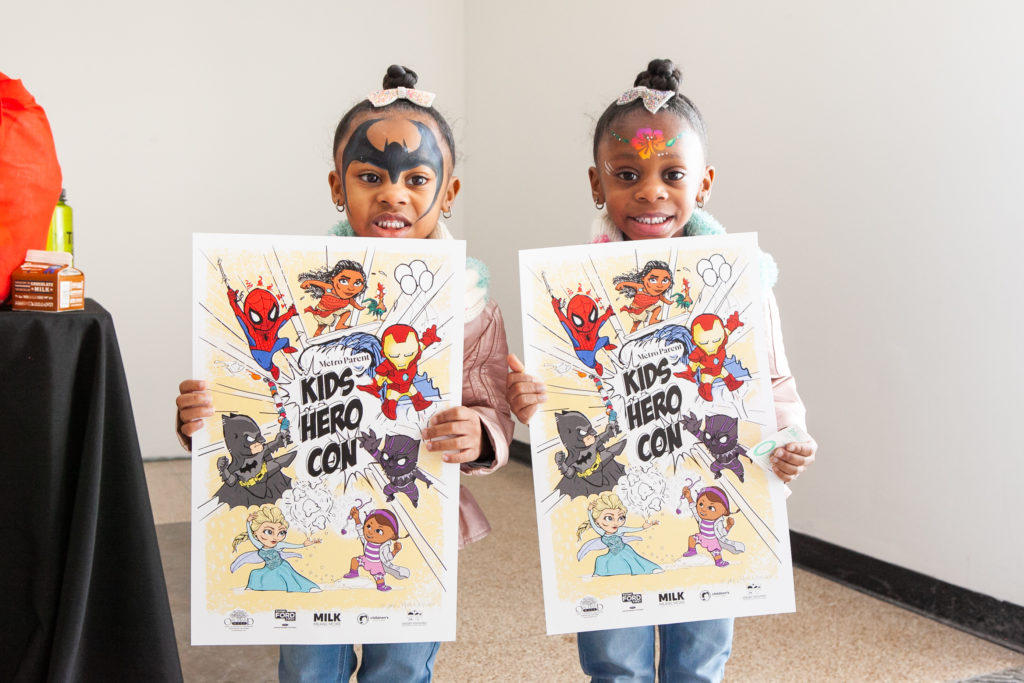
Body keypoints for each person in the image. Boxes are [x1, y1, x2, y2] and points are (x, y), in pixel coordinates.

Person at [176, 64, 514, 683]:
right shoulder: (287, 296)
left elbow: (491, 397)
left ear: (450, 192)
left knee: (402, 666)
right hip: (309, 511)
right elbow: (252, 389)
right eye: (369, 177)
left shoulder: (467, 304)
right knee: (307, 666)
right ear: (338, 186)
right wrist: (205, 412)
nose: (393, 194)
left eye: (417, 178)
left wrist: (483, 432)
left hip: (411, 522)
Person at [505, 58, 818, 682]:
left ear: (704, 184)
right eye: (627, 175)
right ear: (597, 185)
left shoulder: (742, 285)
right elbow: (562, 400)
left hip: (711, 495)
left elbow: (773, 379)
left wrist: (788, 439)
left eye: (672, 174)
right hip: (613, 497)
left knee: (699, 658)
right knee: (614, 660)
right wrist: (531, 398)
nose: (650, 191)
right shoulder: (570, 294)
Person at [230, 504, 322, 592]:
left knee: (289, 577)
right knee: (255, 574)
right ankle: (252, 587)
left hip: (282, 567)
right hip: (268, 568)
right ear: (256, 533)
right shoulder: (259, 545)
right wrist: (248, 522)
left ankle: (307, 588)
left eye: (281, 533)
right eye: (268, 531)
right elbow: (250, 535)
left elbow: (293, 546)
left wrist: (304, 545)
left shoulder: (279, 545)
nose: (275, 537)